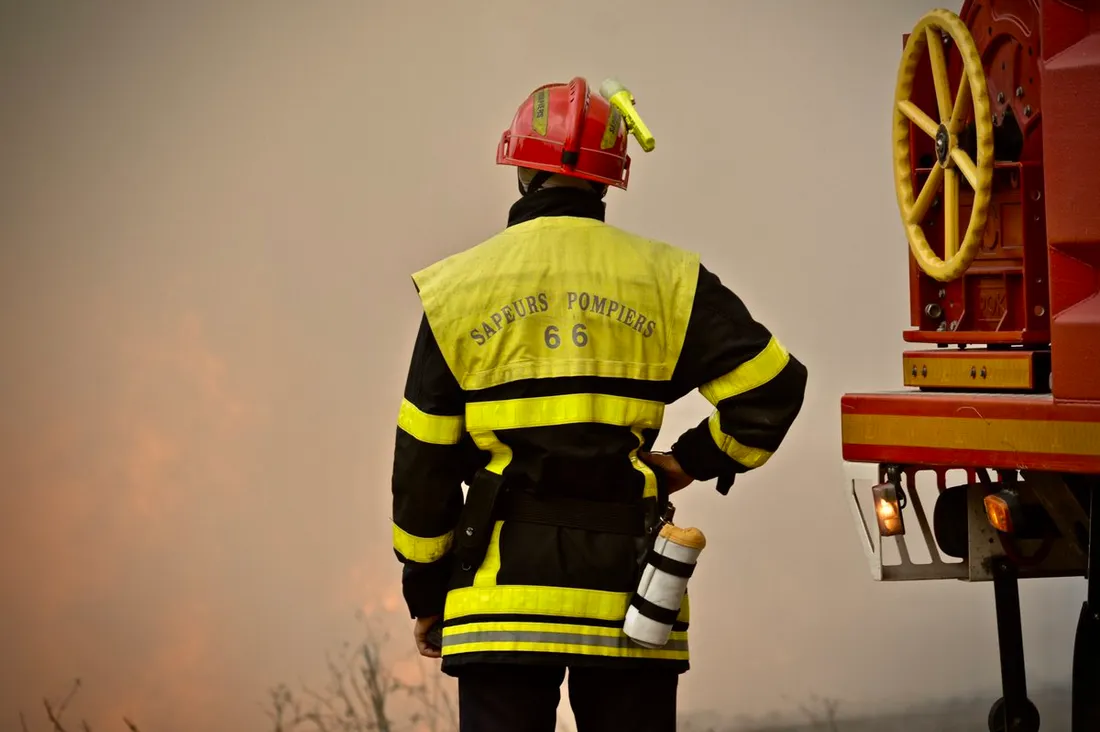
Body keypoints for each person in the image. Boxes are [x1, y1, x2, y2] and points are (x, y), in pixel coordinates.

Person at [390, 77, 808, 732]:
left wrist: (424, 588)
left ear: (522, 167)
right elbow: (773, 390)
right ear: (610, 180)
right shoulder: (668, 280)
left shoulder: (458, 290)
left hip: (498, 605)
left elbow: (424, 462)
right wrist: (685, 462)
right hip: (630, 600)